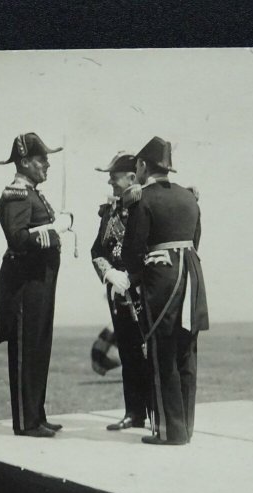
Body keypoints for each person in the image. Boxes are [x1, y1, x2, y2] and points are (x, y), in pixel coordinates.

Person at [121, 136, 209, 445]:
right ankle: (184, 427)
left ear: (144, 166)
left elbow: (131, 252)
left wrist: (140, 268)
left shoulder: (142, 199)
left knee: (161, 353)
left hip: (162, 280)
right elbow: (196, 239)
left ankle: (168, 432)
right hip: (192, 277)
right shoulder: (189, 197)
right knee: (186, 352)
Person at [0, 132, 73, 438]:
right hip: (25, 283)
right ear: (25, 162)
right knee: (27, 348)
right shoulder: (17, 194)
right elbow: (17, 237)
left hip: (39, 282)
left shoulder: (33, 193)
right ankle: (27, 421)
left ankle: (36, 415)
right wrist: (54, 232)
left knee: (39, 346)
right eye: (42, 160)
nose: (48, 165)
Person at [91, 151, 153, 430]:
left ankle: (157, 413)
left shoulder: (148, 204)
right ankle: (134, 413)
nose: (110, 184)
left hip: (145, 292)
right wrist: (108, 273)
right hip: (119, 293)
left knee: (149, 353)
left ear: (132, 177)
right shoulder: (110, 213)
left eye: (114, 178)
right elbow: (97, 250)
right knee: (128, 352)